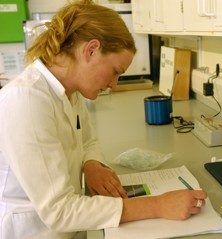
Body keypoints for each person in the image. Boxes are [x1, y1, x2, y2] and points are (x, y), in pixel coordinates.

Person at [0, 1, 207, 238]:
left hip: (72, 227)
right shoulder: (26, 101)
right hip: (34, 231)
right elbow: (59, 211)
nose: (114, 84)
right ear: (91, 50)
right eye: (115, 71)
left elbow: (88, 141)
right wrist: (158, 205)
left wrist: (92, 165)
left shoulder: (68, 90)